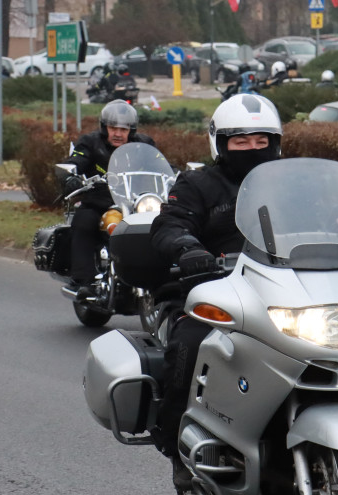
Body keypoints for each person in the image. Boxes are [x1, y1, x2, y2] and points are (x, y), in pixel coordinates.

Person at [149, 94, 283, 473]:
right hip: (218, 290)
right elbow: (170, 223)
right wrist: (188, 249)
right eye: (241, 142)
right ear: (220, 143)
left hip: (281, 291)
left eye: (261, 141)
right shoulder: (199, 183)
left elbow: (327, 219)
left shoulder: (290, 182)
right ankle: (177, 439)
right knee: (191, 342)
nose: (252, 149)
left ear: (275, 143)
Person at [59, 99, 156, 295]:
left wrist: (180, 176)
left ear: (132, 130)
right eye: (113, 128)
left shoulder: (144, 144)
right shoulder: (90, 142)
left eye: (123, 129)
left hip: (135, 202)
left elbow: (160, 165)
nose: (118, 134)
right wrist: (72, 177)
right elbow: (76, 161)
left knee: (162, 225)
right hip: (99, 202)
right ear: (105, 128)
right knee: (84, 222)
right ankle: (83, 280)